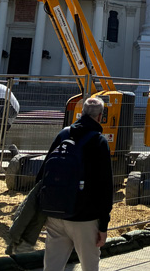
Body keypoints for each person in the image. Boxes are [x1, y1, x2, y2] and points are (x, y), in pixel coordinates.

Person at [39, 96, 113, 271]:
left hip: (56, 213)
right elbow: (105, 187)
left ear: (81, 113)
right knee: (89, 265)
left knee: (52, 266)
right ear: (100, 116)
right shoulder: (99, 142)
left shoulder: (63, 135)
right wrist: (103, 225)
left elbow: (42, 174)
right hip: (85, 218)